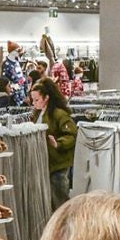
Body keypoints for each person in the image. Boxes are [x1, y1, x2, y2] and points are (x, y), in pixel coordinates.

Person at [30, 77, 77, 207]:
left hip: (58, 165)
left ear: (46, 98)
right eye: (33, 100)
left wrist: (59, 143)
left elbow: (71, 135)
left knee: (60, 201)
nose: (34, 103)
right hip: (47, 164)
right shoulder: (39, 114)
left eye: (37, 100)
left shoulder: (59, 114)